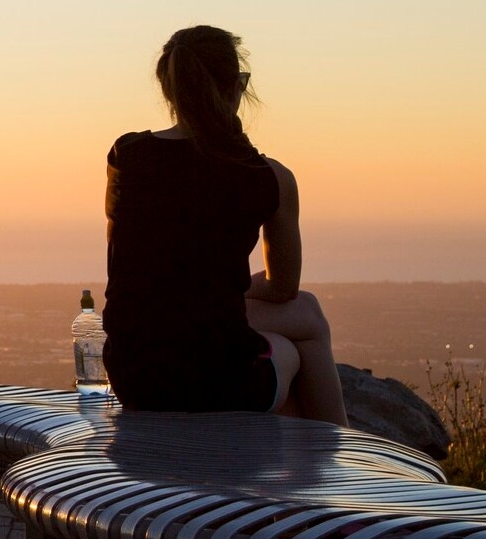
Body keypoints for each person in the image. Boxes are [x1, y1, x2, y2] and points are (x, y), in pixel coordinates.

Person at [102, 26, 347, 424]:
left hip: (135, 377)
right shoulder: (267, 176)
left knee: (298, 316)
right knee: (302, 329)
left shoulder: (127, 156)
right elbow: (283, 288)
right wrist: (226, 287)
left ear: (170, 91)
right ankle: (339, 449)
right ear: (236, 88)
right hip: (218, 383)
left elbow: (142, 267)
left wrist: (210, 288)